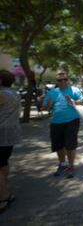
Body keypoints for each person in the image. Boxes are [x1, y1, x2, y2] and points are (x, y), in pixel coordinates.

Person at [43, 72, 83, 178]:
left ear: (68, 79)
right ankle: (62, 164)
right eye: (60, 80)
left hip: (72, 120)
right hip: (56, 122)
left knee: (70, 145)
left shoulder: (74, 90)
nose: (63, 82)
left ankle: (71, 166)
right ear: (57, 81)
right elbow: (45, 109)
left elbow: (82, 101)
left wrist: (74, 101)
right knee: (58, 146)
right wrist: (49, 104)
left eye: (65, 79)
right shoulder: (52, 92)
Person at [0, 70, 21, 213]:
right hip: (9, 134)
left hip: (2, 133)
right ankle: (5, 188)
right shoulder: (14, 93)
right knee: (3, 163)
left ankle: (4, 196)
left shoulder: (2, 94)